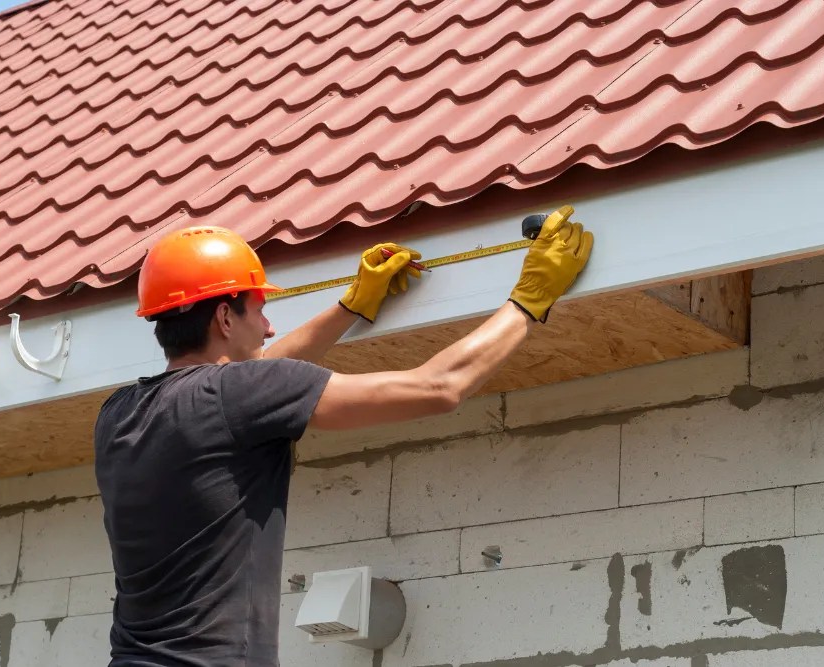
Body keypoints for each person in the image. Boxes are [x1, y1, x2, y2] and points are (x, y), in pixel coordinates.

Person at [93, 205, 594, 666]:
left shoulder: (118, 414)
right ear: (225, 316)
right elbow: (439, 387)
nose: (268, 328)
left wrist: (351, 307)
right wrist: (529, 299)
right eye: (258, 309)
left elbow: (256, 375)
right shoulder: (237, 395)